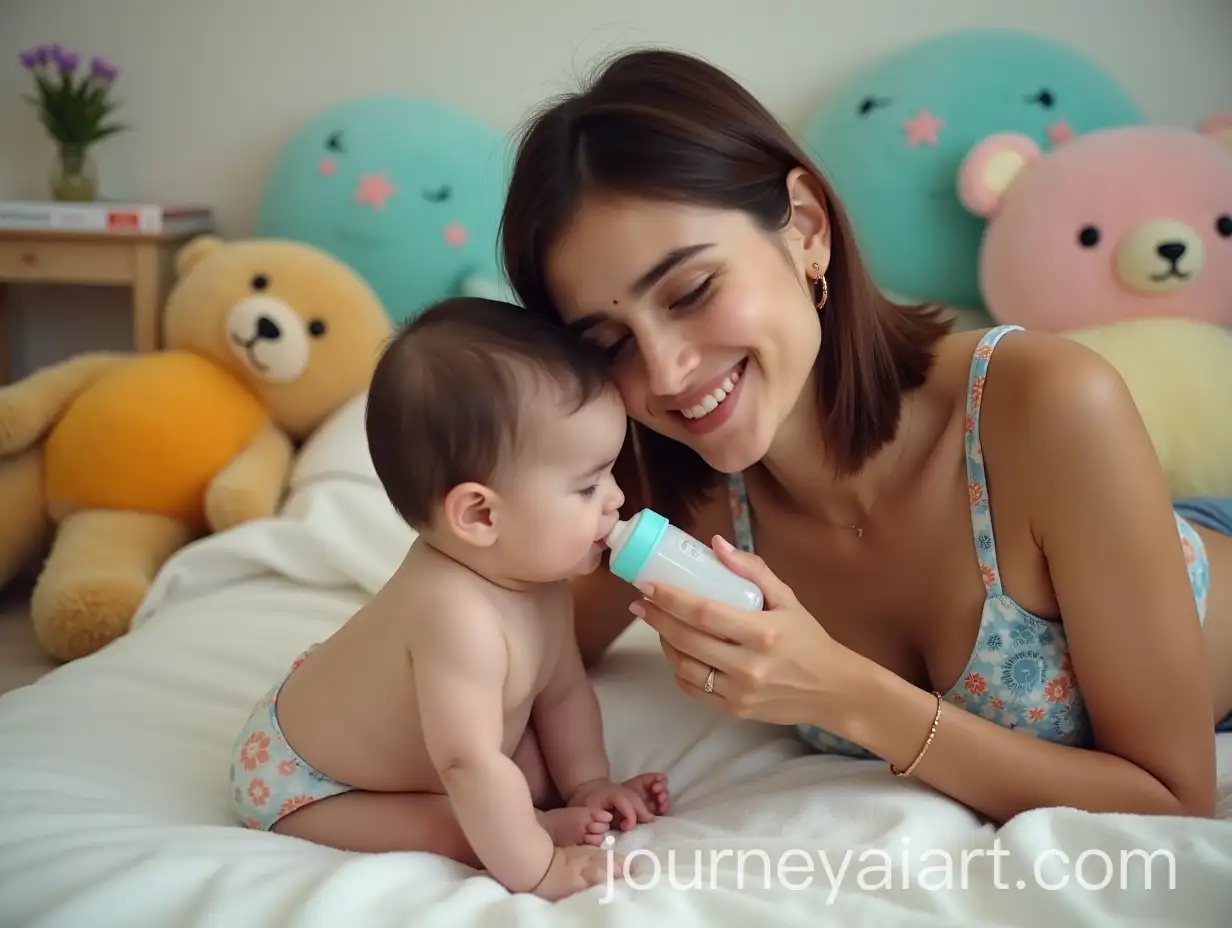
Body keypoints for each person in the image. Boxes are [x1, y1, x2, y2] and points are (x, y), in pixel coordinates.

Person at [497, 47, 1232, 822]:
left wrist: (845, 696)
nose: (667, 370)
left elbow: (1171, 794)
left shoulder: (1047, 406)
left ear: (806, 228)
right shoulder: (667, 489)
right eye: (608, 342)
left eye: (691, 291)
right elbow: (496, 648)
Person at [227, 297, 669, 899]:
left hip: (434, 741)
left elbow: (562, 691)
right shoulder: (455, 614)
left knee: (527, 773)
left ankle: (550, 812)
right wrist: (541, 866)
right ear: (480, 514)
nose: (616, 499)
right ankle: (534, 835)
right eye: (588, 485)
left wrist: (588, 784)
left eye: (610, 473)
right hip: (313, 780)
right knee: (461, 818)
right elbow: (468, 766)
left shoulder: (539, 579)